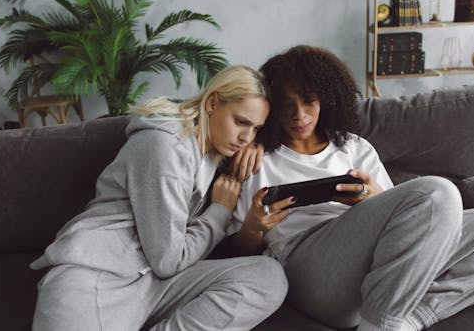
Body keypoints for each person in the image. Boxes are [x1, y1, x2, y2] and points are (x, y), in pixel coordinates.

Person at [227, 46, 474, 331]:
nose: (299, 115)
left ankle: (409, 318)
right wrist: (254, 227)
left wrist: (373, 198)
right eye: (287, 105)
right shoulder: (256, 159)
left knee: (443, 201)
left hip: (376, 270)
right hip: (309, 270)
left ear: (326, 97)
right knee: (438, 193)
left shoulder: (353, 147)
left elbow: (409, 229)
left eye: (309, 101)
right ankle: (381, 323)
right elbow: (233, 252)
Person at [30, 65, 288, 331]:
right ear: (212, 103)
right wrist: (220, 210)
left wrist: (260, 145)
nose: (246, 137)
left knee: (267, 276)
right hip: (96, 279)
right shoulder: (164, 146)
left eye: (256, 129)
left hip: (155, 284)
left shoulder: (215, 149)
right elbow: (168, 261)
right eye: (241, 122)